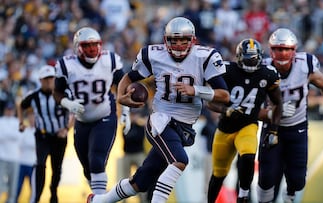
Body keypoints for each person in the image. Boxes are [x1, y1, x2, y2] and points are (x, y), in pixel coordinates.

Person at [87, 16, 230, 203]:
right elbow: (129, 77)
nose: (178, 45)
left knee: (141, 181)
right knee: (180, 160)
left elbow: (224, 95)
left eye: (183, 40)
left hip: (184, 126)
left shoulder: (205, 57)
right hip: (161, 120)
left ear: (193, 40)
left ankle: (98, 201)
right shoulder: (154, 55)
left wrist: (195, 90)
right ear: (166, 40)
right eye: (174, 40)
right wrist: (122, 97)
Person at [256, 28, 323, 203]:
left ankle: (289, 196)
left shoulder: (305, 65)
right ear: (271, 50)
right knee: (266, 177)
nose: (283, 53)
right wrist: (271, 113)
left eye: (287, 49)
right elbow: (251, 109)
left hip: (297, 127)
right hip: (273, 128)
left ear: (294, 50)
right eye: (278, 49)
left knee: (297, 181)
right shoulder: (262, 69)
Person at [53, 26, 129, 195]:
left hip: (104, 117)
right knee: (87, 168)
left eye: (95, 45)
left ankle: (99, 199)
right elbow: (57, 92)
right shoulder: (67, 65)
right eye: (87, 46)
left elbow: (124, 84)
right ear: (77, 47)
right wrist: (67, 103)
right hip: (81, 122)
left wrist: (125, 111)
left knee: (96, 160)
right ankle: (101, 195)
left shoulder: (109, 60)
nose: (92, 49)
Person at [206, 38, 283, 203]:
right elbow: (209, 101)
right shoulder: (226, 70)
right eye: (248, 58)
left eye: (254, 58)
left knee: (248, 155)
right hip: (225, 128)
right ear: (239, 57)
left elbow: (278, 102)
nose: (251, 61)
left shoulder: (267, 74)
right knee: (218, 174)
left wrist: (274, 130)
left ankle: (243, 195)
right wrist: (226, 110)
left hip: (248, 125)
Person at [18, 65, 70, 203]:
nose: (48, 81)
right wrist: (21, 122)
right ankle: (37, 196)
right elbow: (21, 105)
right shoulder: (34, 96)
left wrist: (66, 129)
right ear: (40, 80)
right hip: (42, 136)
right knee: (40, 164)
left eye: (51, 78)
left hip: (60, 137)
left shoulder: (64, 94)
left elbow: (74, 113)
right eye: (46, 79)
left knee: (56, 168)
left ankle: (53, 191)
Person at [0, 102, 22, 203]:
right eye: (7, 110)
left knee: (13, 186)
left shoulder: (17, 122)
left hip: (14, 157)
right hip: (2, 157)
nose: (9, 112)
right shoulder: (1, 121)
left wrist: (6, 134)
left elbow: (19, 136)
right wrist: (11, 135)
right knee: (0, 184)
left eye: (11, 110)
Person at [16, 111, 36, 202]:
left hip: (33, 164)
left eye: (33, 117)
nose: (31, 119)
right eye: (30, 117)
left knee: (33, 188)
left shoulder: (38, 131)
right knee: (18, 187)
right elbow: (19, 144)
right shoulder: (25, 130)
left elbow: (35, 145)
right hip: (22, 162)